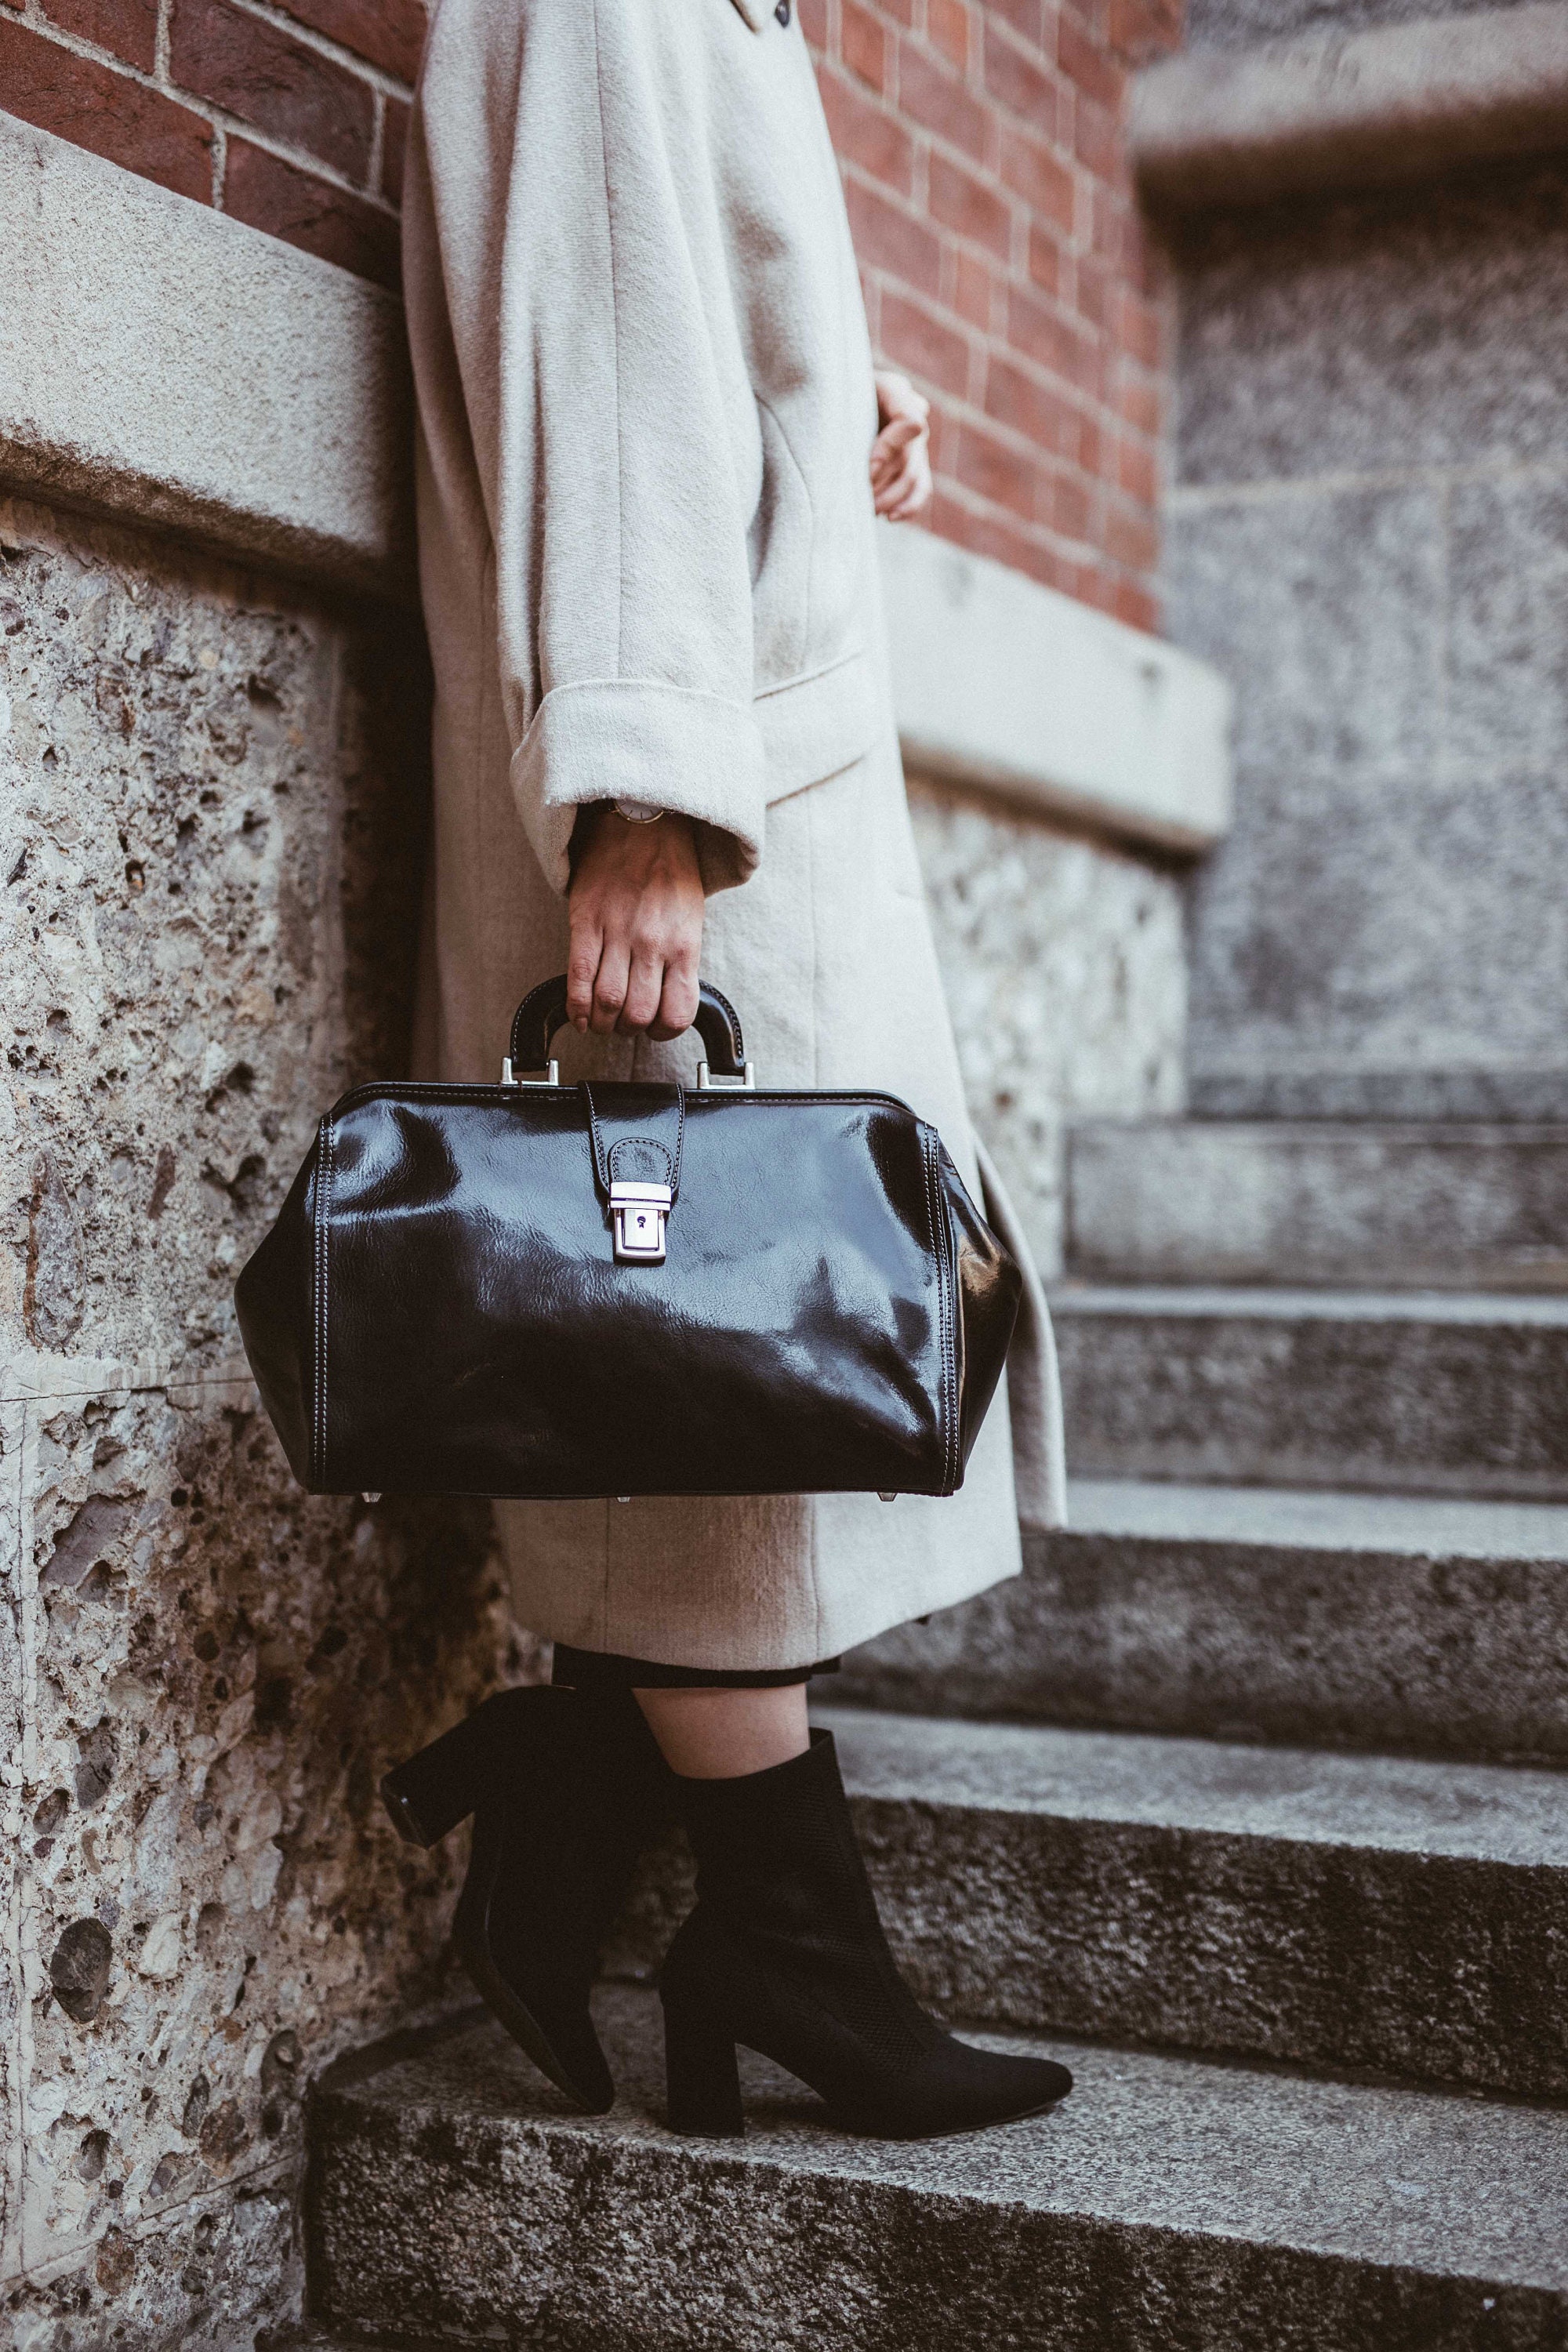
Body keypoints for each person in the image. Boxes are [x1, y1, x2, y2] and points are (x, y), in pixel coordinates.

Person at [386, 0, 1070, 2140]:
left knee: (703, 1373)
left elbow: (673, 316)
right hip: (701, 822)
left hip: (732, 783)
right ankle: (779, 1936)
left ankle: (570, 1799)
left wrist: (822, 380)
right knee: (705, 1366)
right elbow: (607, 364)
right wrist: (649, 802)